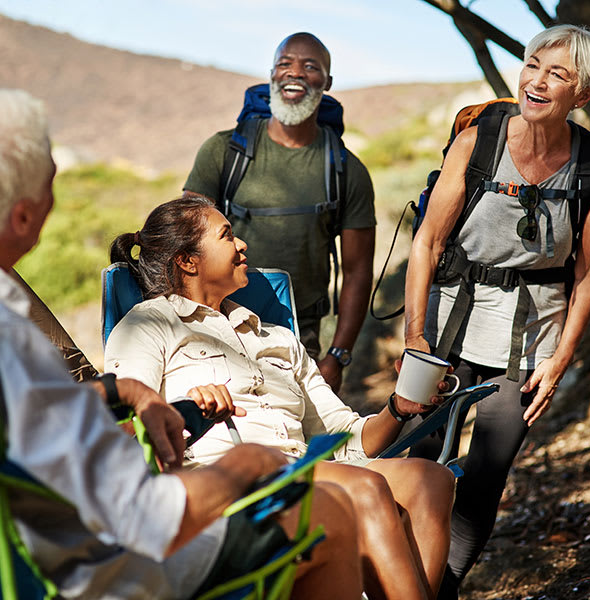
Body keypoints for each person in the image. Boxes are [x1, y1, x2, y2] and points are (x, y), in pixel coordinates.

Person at [0, 88, 365, 600]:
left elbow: (35, 413)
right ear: (22, 218)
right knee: (330, 515)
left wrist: (123, 393)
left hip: (43, 557)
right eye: (51, 187)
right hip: (101, 575)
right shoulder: (21, 335)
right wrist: (247, 466)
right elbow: (145, 518)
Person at [105, 195, 456, 600]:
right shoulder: (149, 324)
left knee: (430, 479)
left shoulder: (276, 337)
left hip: (305, 468)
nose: (242, 246)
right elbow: (128, 423)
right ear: (188, 261)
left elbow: (345, 437)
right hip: (226, 481)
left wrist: (398, 407)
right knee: (363, 487)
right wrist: (185, 411)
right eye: (227, 236)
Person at [402, 24, 590, 598]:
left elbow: (589, 271)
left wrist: (560, 361)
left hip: (528, 343)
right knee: (416, 466)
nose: (536, 81)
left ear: (582, 95)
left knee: (485, 481)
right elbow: (427, 244)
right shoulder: (479, 138)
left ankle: (443, 588)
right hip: (445, 327)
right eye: (533, 64)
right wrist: (415, 336)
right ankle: (401, 582)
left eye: (556, 74)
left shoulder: (589, 163)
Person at [183, 32, 376, 394]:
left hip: (301, 336)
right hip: (218, 326)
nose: (295, 73)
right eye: (285, 64)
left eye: (310, 67)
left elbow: (358, 271)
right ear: (271, 75)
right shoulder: (223, 151)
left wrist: (337, 356)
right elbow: (184, 243)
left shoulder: (347, 170)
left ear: (327, 83)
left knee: (296, 442)